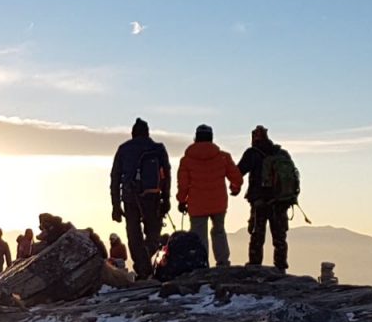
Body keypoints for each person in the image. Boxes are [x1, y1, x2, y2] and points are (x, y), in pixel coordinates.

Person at [110, 118, 171, 279]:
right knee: (153, 234)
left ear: (133, 134)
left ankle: (142, 268)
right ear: (148, 133)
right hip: (153, 196)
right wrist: (166, 198)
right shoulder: (158, 148)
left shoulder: (124, 149)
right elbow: (167, 174)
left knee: (133, 234)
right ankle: (145, 263)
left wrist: (115, 206)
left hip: (130, 198)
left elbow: (115, 178)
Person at [176, 124, 242, 267]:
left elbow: (183, 184)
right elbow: (237, 177)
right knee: (219, 230)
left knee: (199, 235)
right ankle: (223, 262)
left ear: (196, 138)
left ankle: (201, 263)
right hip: (218, 202)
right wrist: (235, 188)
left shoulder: (186, 160)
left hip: (197, 204)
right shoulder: (223, 157)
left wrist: (181, 200)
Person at [238, 125, 297, 272]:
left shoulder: (252, 153)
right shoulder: (282, 153)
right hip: (280, 201)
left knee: (257, 235)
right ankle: (281, 267)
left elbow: (238, 172)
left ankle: (255, 265)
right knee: (279, 237)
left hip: (259, 201)